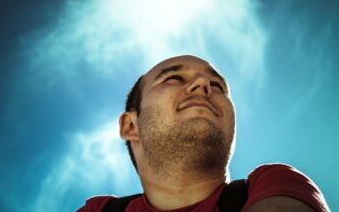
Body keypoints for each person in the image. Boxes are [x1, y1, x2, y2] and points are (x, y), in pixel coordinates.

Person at [77, 55, 330, 212]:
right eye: (174, 78)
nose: (204, 85)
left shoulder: (277, 183)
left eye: (218, 86)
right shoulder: (99, 210)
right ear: (130, 126)